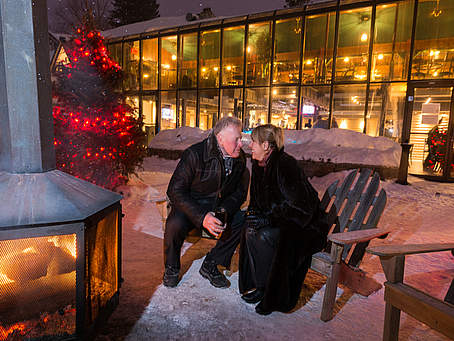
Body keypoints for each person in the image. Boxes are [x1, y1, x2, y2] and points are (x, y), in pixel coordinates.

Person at [239, 124, 329, 315]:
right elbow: (258, 199)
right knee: (249, 230)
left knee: (264, 235)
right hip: (281, 219)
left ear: (265, 145)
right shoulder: (259, 164)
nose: (250, 146)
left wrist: (270, 218)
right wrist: (255, 215)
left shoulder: (285, 164)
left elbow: (301, 207)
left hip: (304, 224)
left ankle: (273, 295)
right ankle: (262, 286)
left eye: (253, 142)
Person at [163, 116, 249, 288]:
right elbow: (175, 190)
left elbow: (239, 192)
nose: (241, 144)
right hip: (192, 209)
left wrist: (224, 210)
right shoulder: (195, 154)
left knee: (243, 220)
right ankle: (171, 268)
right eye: (236, 139)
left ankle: (211, 264)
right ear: (220, 138)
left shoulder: (239, 158)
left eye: (241, 139)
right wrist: (202, 217)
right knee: (174, 223)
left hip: (218, 208)